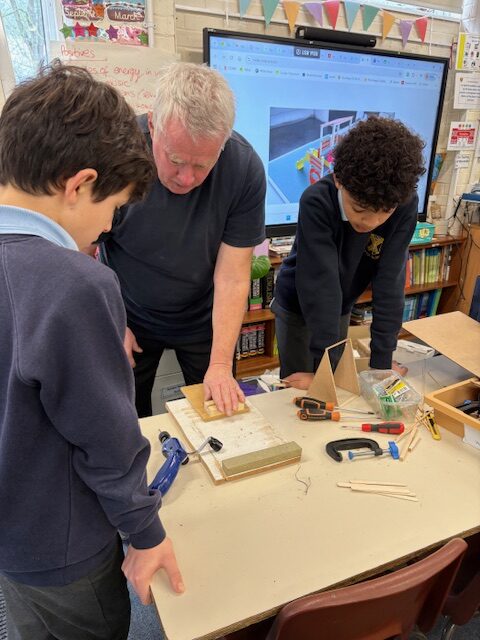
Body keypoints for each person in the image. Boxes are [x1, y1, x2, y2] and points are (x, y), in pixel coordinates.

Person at [0, 63, 183, 640]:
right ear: (78, 185)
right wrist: (146, 534)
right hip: (65, 547)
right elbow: (107, 438)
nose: (106, 229)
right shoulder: (76, 283)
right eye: (113, 209)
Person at [97, 62, 266, 418]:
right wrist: (109, 319)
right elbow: (82, 248)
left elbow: (233, 276)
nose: (186, 178)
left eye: (202, 165)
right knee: (124, 417)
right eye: (175, 160)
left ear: (222, 144)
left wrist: (220, 364)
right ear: (152, 125)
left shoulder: (244, 168)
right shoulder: (114, 154)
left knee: (220, 411)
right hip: (128, 311)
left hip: (204, 319)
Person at [272, 116, 426, 388]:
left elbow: (390, 282)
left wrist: (381, 364)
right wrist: (323, 374)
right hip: (299, 302)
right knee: (303, 388)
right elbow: (321, 286)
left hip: (342, 302)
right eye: (359, 209)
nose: (370, 223)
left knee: (337, 381)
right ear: (339, 180)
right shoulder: (317, 202)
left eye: (384, 213)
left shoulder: (403, 202)